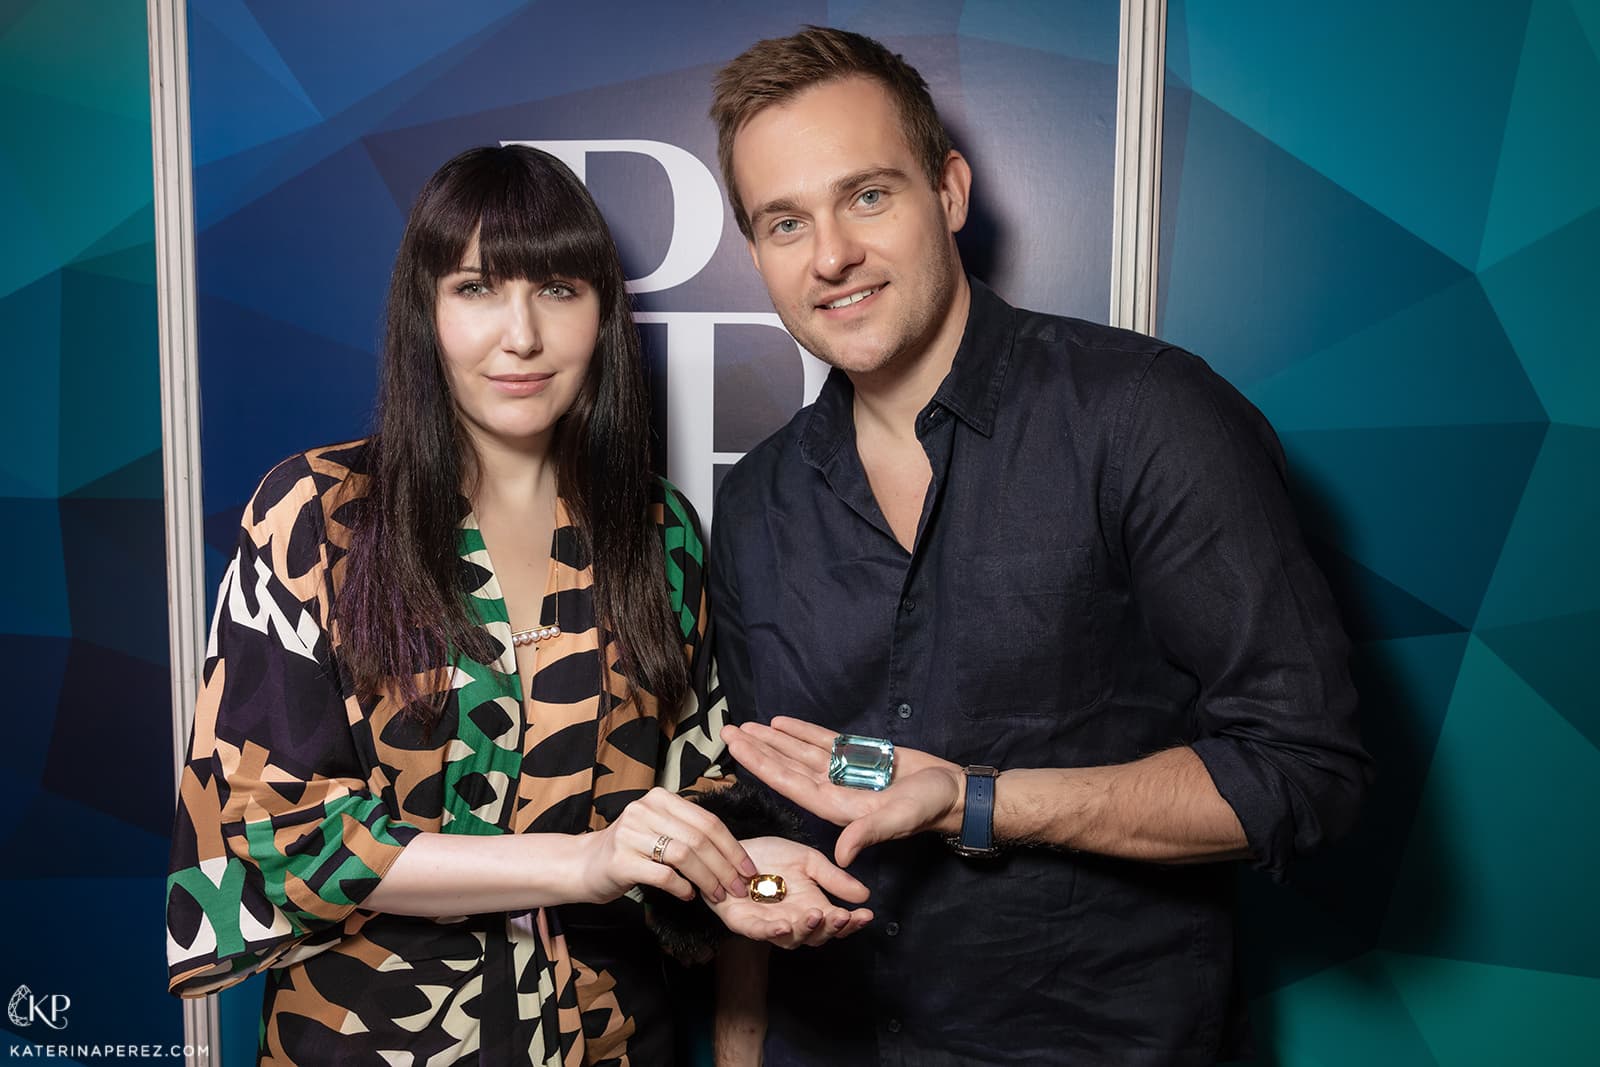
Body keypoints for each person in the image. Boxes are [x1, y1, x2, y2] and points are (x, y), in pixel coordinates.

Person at [704, 28, 1371, 1066]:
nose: (829, 253)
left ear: (951, 192)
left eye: (867, 195)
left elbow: (1302, 769)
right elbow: (761, 811)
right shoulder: (754, 501)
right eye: (785, 221)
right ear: (756, 252)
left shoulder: (1147, 414)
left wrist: (974, 800)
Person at [164, 145, 871, 1065]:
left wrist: (740, 870)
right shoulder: (319, 513)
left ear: (603, 314)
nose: (521, 335)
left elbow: (697, 788)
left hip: (610, 1039)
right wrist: (586, 860)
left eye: (559, 290)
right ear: (425, 310)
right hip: (368, 1039)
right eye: (476, 289)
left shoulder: (660, 532)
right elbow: (278, 833)